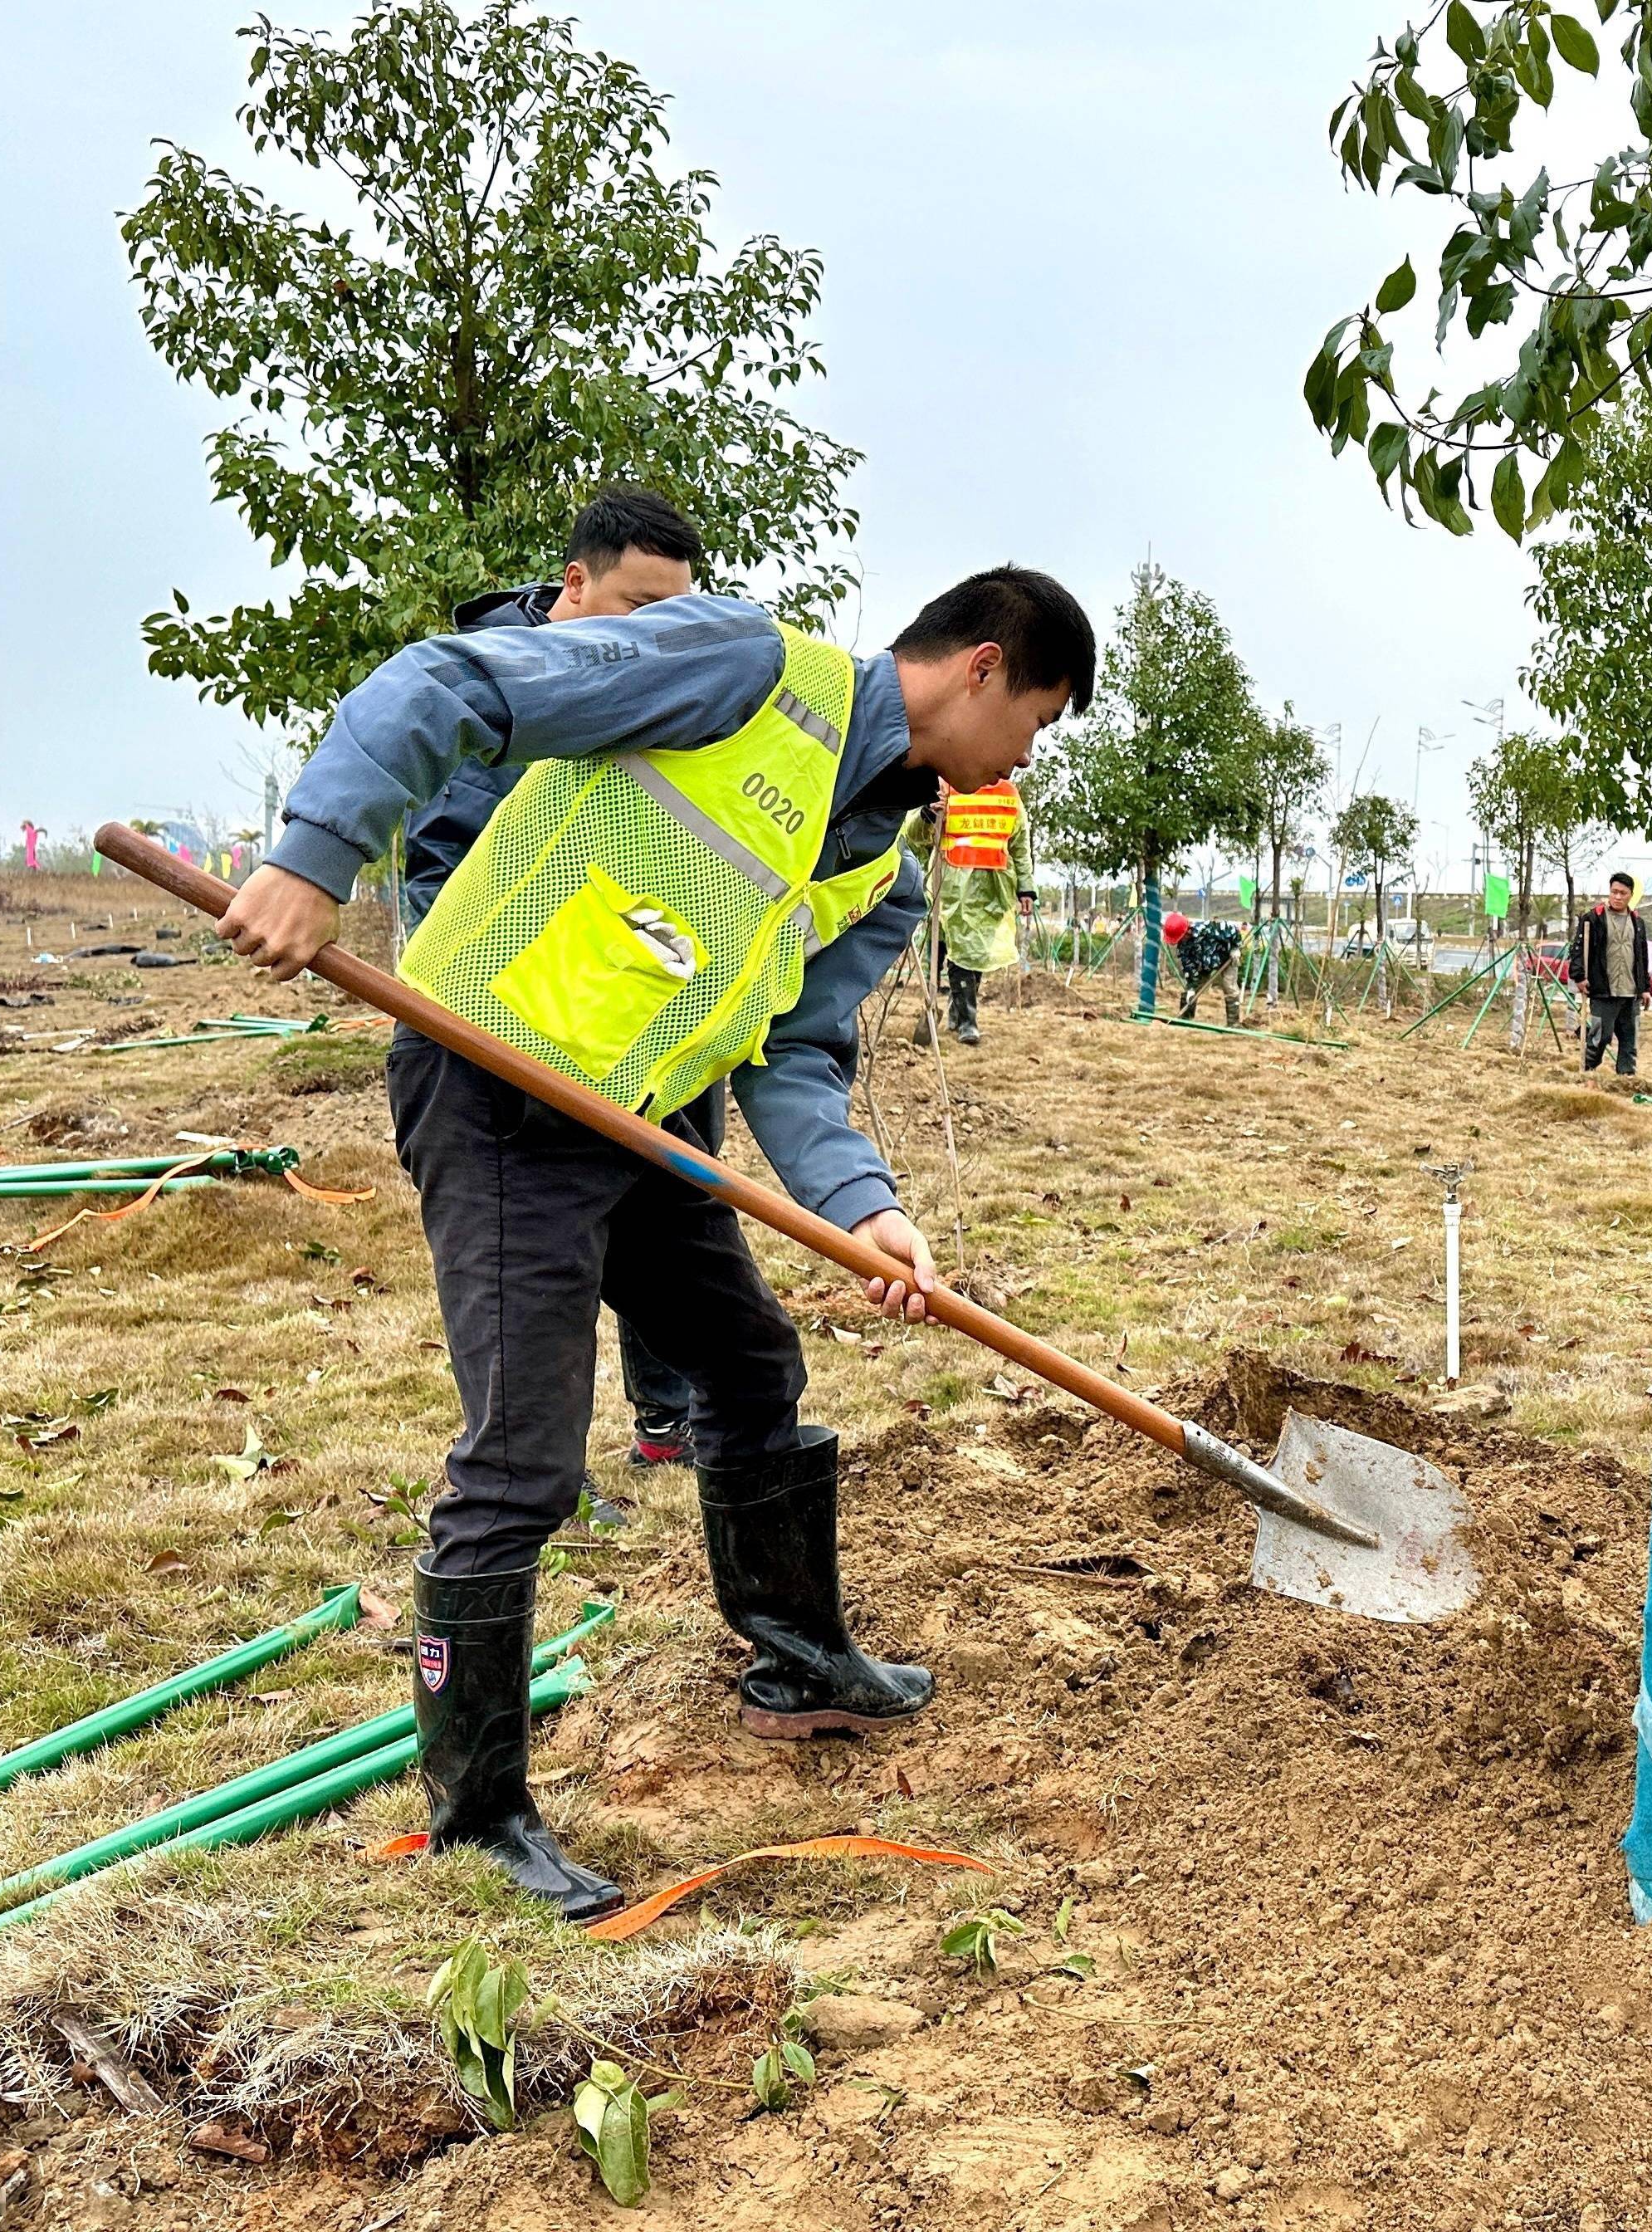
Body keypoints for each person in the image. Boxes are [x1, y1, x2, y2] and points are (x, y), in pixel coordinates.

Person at [220, 563, 1094, 1924]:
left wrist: (860, 1203)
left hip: (638, 1116)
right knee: (520, 1453)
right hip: (500, 1080)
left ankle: (797, 1654)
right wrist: (314, 852)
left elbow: (798, 1054)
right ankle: (479, 1816)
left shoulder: (882, 865)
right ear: (983, 667)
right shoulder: (750, 673)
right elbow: (456, 683)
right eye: (1036, 723)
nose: (1024, 758)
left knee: (749, 1364)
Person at [401, 487, 721, 1476]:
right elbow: (441, 882)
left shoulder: (661, 692)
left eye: (677, 615)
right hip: (521, 1048)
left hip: (650, 1014)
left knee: (677, 1231)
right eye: (638, 607)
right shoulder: (496, 697)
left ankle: (666, 1421)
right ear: (573, 582)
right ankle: (531, 1471)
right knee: (537, 1270)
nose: (658, 637)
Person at [936, 775, 1034, 1045]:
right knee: (961, 951)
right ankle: (968, 1023)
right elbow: (916, 835)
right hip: (954, 887)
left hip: (994, 889)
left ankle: (958, 1012)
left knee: (979, 955)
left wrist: (1026, 888)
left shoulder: (1008, 794)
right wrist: (928, 816)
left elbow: (1020, 846)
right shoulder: (947, 786)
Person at [1571, 872, 1651, 1075]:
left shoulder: (1637, 922)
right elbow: (1578, 949)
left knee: (1629, 1040)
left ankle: (1626, 1078)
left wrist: (1645, 988)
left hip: (1630, 992)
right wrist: (1579, 976)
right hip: (1603, 990)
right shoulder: (1594, 918)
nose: (1617, 897)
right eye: (1614, 892)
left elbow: (1642, 956)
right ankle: (1587, 1070)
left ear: (1630, 895)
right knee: (1601, 1037)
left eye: (1622, 893)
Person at [1175, 914, 1244, 1022]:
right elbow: (1189, 966)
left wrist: (1236, 947)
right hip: (1203, 964)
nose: (1181, 940)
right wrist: (1191, 988)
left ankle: (1233, 1022)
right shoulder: (1183, 947)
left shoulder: (1207, 928)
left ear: (1187, 931)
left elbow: (1232, 930)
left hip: (1226, 957)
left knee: (1229, 985)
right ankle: (1185, 1018)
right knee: (1192, 989)